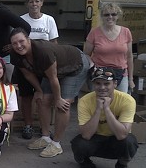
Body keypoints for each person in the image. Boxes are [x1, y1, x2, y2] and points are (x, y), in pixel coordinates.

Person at [10, 27, 91, 158]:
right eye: (14, 43)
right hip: (53, 71)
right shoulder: (15, 54)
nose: (18, 46)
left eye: (21, 41)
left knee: (63, 104)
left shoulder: (43, 51)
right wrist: (39, 90)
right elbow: (28, 75)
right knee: (43, 99)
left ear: (29, 40)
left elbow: (53, 78)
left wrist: (58, 98)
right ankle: (45, 137)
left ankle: (56, 143)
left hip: (75, 65)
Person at [71, 67, 138, 168]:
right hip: (95, 138)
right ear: (93, 84)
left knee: (129, 141)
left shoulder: (128, 100)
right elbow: (86, 135)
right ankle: (84, 161)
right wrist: (98, 109)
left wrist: (106, 109)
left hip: (115, 140)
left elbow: (122, 135)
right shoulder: (85, 101)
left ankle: (121, 166)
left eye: (107, 83)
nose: (102, 87)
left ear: (115, 84)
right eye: (98, 83)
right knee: (79, 143)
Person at [16, 0, 59, 140]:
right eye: (31, 1)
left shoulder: (49, 20)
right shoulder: (21, 20)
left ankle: (44, 128)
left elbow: (54, 44)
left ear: (42, 3)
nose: (34, 4)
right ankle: (28, 125)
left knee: (44, 97)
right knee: (27, 96)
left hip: (44, 64)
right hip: (26, 64)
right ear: (26, 4)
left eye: (37, 1)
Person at [83, 2, 134, 93]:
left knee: (120, 104)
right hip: (99, 74)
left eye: (113, 14)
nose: (110, 17)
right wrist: (92, 67)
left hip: (121, 74)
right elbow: (86, 55)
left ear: (118, 16)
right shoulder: (94, 32)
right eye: (106, 15)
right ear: (102, 17)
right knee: (99, 103)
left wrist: (130, 79)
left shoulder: (126, 32)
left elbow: (129, 57)